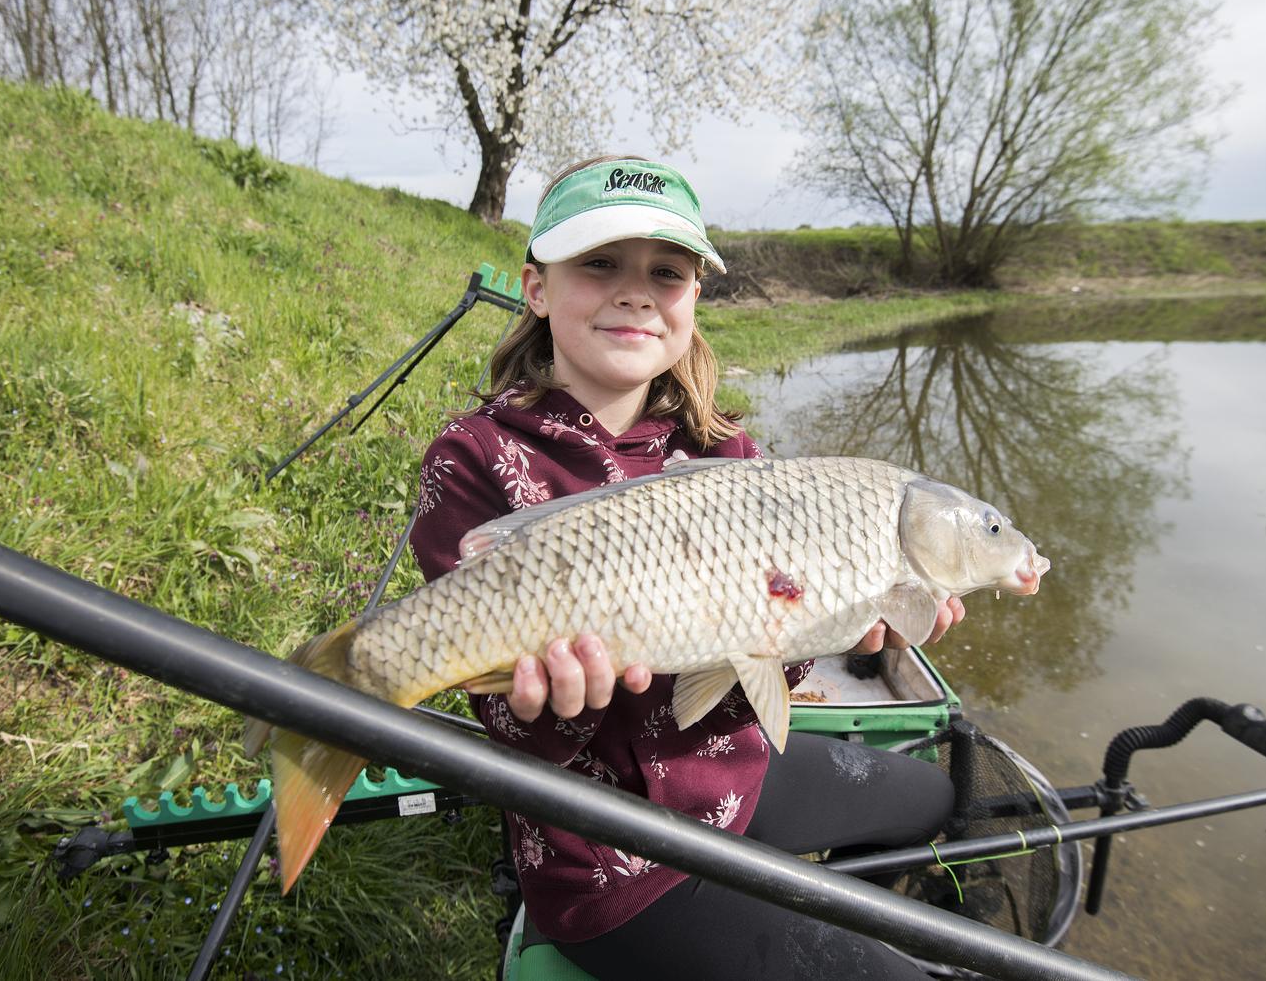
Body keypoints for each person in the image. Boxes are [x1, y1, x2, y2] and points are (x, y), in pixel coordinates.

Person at [410, 155, 966, 980]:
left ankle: (853, 919)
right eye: (599, 263)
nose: (635, 292)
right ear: (535, 288)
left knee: (940, 799)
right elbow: (506, 730)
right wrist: (553, 707)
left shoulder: (727, 453)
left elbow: (769, 646)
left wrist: (851, 618)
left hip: (729, 776)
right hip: (610, 855)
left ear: (693, 298)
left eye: (665, 273)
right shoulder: (475, 460)